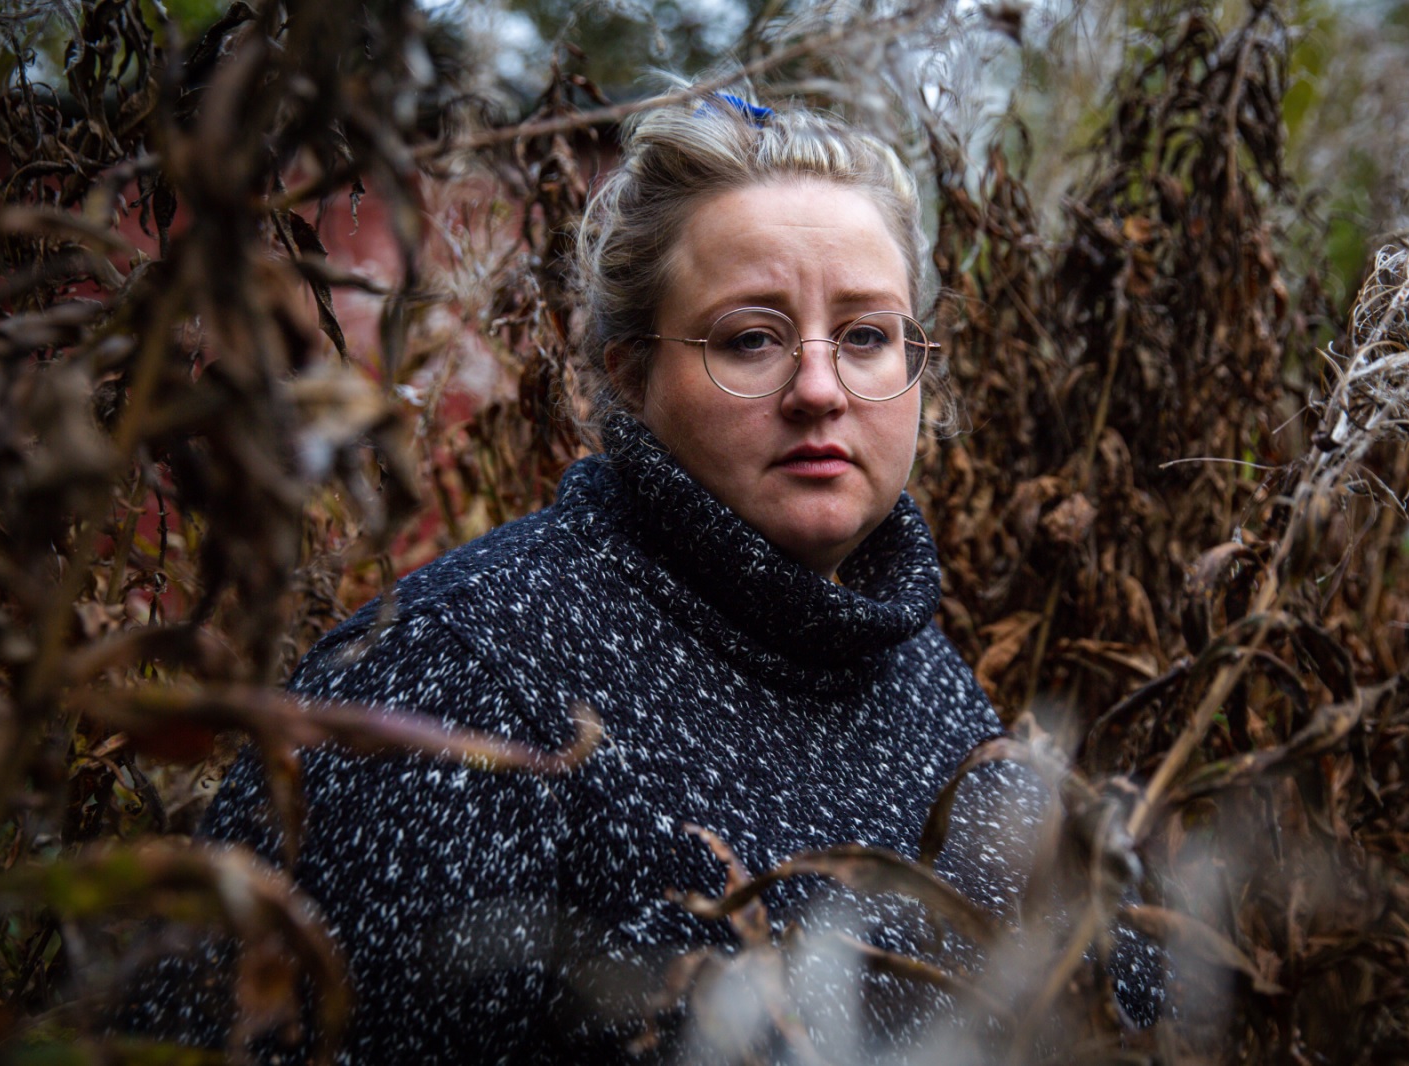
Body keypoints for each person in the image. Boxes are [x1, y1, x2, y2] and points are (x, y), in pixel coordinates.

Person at [118, 87, 1160, 1063]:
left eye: (866, 335)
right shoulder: (455, 680)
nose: (818, 388)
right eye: (750, 339)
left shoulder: (901, 654)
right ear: (629, 375)